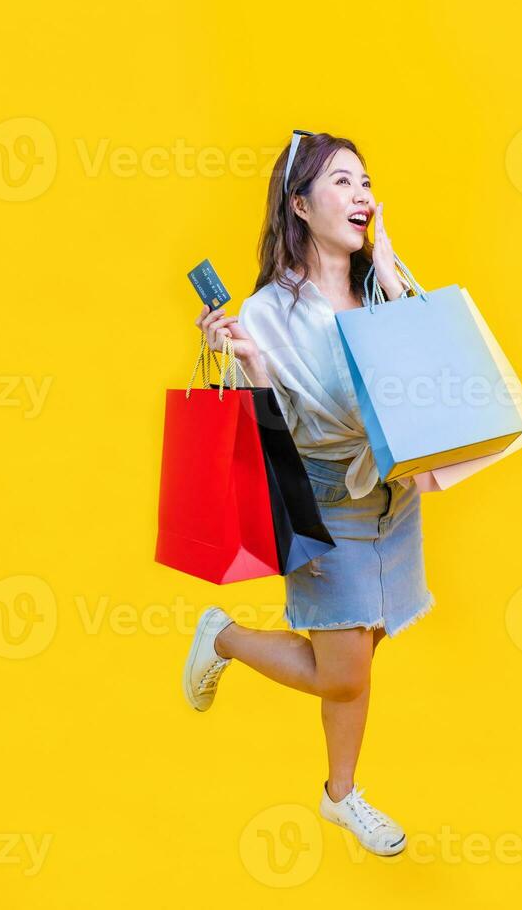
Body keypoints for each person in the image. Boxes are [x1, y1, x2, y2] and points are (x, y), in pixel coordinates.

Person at [181, 131, 428, 856]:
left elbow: (421, 382)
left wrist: (389, 271)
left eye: (366, 184)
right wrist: (247, 362)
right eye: (343, 183)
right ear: (299, 203)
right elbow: (270, 433)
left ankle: (341, 795)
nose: (362, 196)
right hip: (326, 504)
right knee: (343, 674)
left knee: (361, 650)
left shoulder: (383, 284)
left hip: (396, 498)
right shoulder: (264, 314)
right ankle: (220, 636)